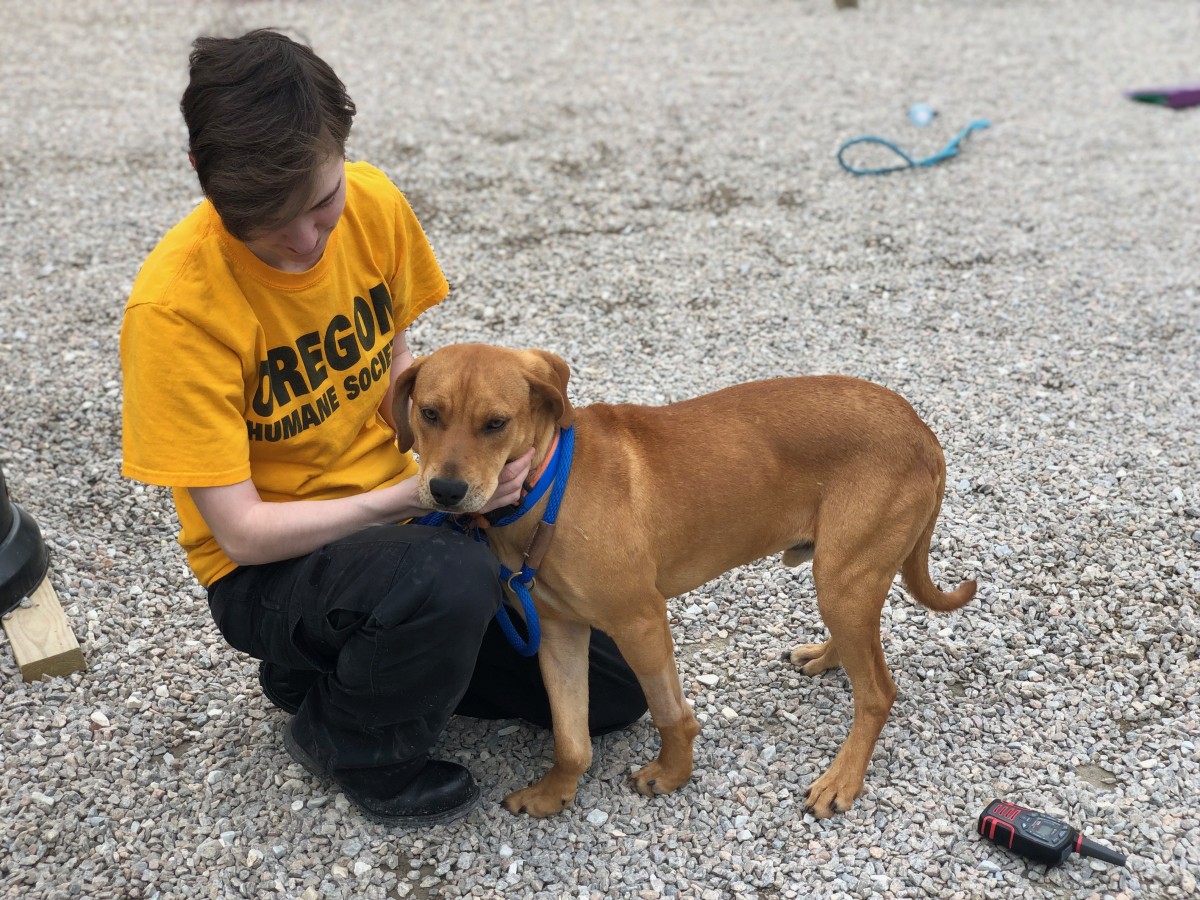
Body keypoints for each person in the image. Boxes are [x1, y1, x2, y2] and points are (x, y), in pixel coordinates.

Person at [120, 28, 647, 827]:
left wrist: (480, 461)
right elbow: (241, 537)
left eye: (320, 204)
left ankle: (340, 665)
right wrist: (412, 498)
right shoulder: (175, 311)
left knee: (614, 694)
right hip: (271, 572)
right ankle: (348, 742)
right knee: (451, 577)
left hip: (401, 533)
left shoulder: (373, 206)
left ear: (345, 147)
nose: (306, 243)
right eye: (266, 222)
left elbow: (399, 367)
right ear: (200, 173)